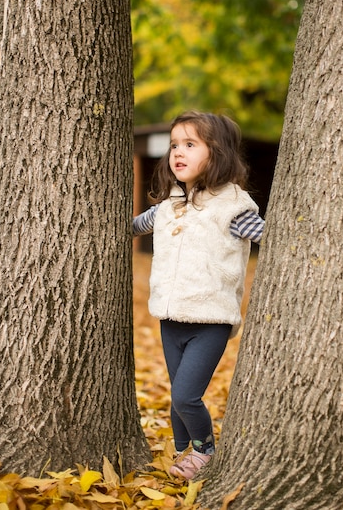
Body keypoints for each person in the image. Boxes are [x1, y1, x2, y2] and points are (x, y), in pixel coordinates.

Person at [133, 111, 265, 480]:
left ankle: (206, 452)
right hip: (171, 317)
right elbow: (135, 225)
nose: (178, 151)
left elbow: (267, 234)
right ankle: (182, 451)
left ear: (218, 152)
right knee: (178, 394)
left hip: (210, 319)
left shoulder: (232, 208)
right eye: (175, 144)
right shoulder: (167, 207)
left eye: (190, 144)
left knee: (185, 396)